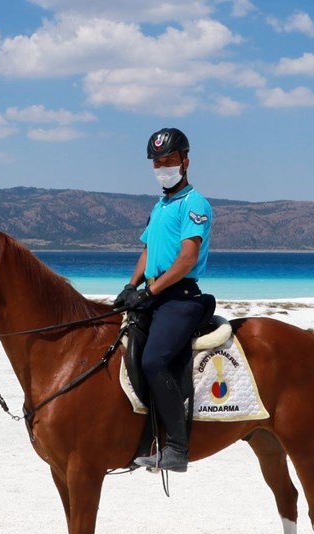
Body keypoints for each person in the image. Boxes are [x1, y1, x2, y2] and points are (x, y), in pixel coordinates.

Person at [113, 128, 213, 472]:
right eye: (157, 162)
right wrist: (131, 286)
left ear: (185, 160)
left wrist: (151, 292)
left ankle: (176, 448)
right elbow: (148, 250)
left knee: (155, 361)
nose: (162, 167)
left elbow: (186, 258)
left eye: (169, 160)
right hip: (153, 295)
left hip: (179, 298)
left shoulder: (193, 203)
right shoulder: (160, 205)